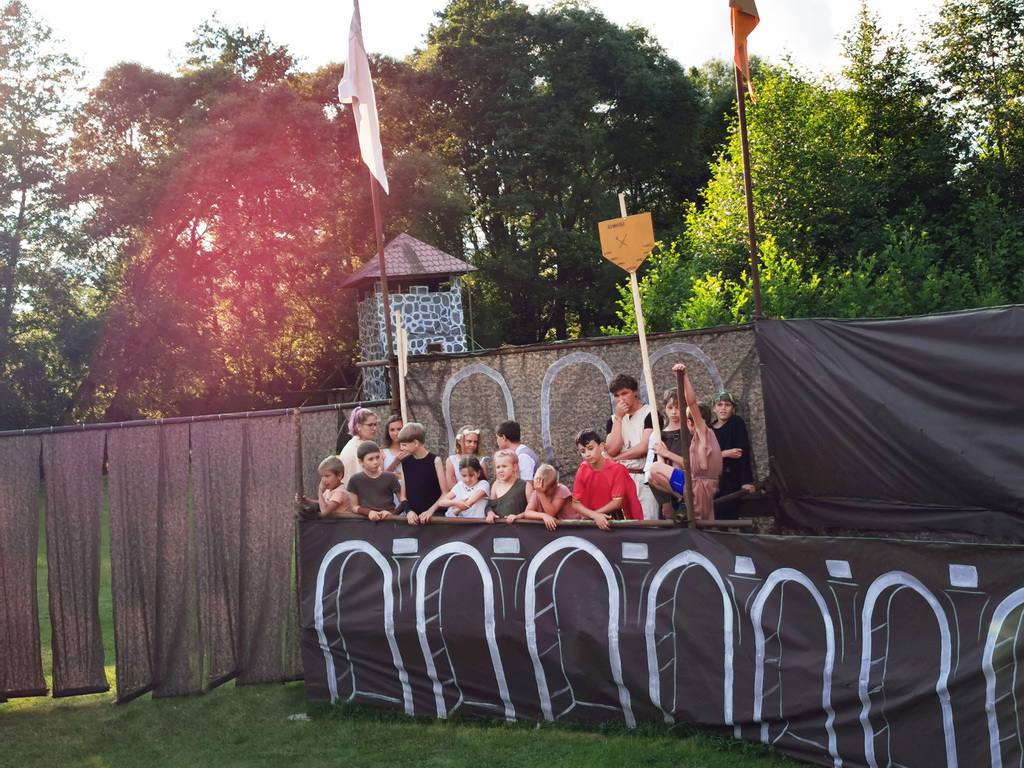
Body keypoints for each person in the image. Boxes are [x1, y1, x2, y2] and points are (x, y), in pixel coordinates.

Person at [649, 363, 722, 521]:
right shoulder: (702, 438)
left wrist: (683, 377)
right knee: (653, 477)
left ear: (692, 421)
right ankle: (683, 498)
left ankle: (686, 497)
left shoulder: (703, 433)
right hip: (700, 485)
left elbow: (692, 403)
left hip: (699, 487)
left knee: (655, 468)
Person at [604, 373, 661, 520]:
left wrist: (616, 459)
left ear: (634, 392)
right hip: (620, 479)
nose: (621, 399)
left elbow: (643, 447)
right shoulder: (613, 420)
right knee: (625, 523)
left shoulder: (650, 413)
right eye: (617, 396)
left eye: (624, 393)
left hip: (643, 477)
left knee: (648, 520)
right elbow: (612, 449)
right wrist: (619, 418)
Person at [571, 429, 642, 530]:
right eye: (583, 451)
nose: (587, 454)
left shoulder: (617, 469)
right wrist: (594, 516)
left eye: (590, 448)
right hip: (592, 520)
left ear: (601, 446)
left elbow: (617, 502)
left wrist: (595, 515)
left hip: (616, 519)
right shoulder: (582, 470)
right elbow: (575, 503)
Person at [709, 391, 756, 520]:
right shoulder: (709, 429)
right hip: (713, 479)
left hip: (731, 477)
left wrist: (746, 481)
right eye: (720, 404)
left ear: (733, 408)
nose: (723, 408)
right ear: (714, 408)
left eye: (727, 405)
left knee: (727, 512)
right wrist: (723, 454)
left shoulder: (736, 422)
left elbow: (743, 453)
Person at [399, 422, 448, 525]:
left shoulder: (435, 460)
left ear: (415, 443)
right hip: (413, 518)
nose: (402, 448)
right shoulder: (405, 462)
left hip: (434, 517)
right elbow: (403, 495)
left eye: (404, 445)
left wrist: (430, 511)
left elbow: (445, 492)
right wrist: (409, 511)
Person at [347, 441, 404, 521]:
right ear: (361, 462)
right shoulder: (355, 479)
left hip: (389, 523)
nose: (376, 462)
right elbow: (354, 507)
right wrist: (369, 512)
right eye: (370, 459)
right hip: (365, 524)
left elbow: (403, 501)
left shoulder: (390, 477)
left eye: (378, 457)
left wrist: (392, 513)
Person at [506, 463, 575, 530]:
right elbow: (528, 512)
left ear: (555, 484)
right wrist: (543, 516)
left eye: (546, 492)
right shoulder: (537, 491)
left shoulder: (561, 489)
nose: (543, 494)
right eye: (540, 491)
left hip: (571, 526)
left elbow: (551, 513)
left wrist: (541, 493)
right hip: (556, 528)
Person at [650, 387, 685, 519]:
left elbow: (694, 464)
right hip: (668, 495)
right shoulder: (660, 436)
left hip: (688, 486)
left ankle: (684, 498)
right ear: (665, 408)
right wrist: (665, 503)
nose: (674, 412)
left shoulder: (690, 433)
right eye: (670, 407)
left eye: (678, 407)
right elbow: (654, 475)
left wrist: (667, 453)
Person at [494, 420, 540, 494]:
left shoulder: (523, 456)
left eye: (497, 437)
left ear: (503, 438)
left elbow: (528, 486)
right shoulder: (516, 454)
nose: (497, 441)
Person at [485, 448, 529, 522]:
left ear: (514, 467)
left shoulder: (525, 485)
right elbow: (490, 506)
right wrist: (490, 514)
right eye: (498, 467)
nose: (500, 470)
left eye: (504, 466)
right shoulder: (496, 485)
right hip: (499, 528)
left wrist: (518, 516)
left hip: (518, 527)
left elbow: (532, 510)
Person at [339, 407, 379, 482]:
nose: (374, 428)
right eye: (370, 425)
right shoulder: (354, 449)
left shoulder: (365, 444)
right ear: (358, 426)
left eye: (375, 424)